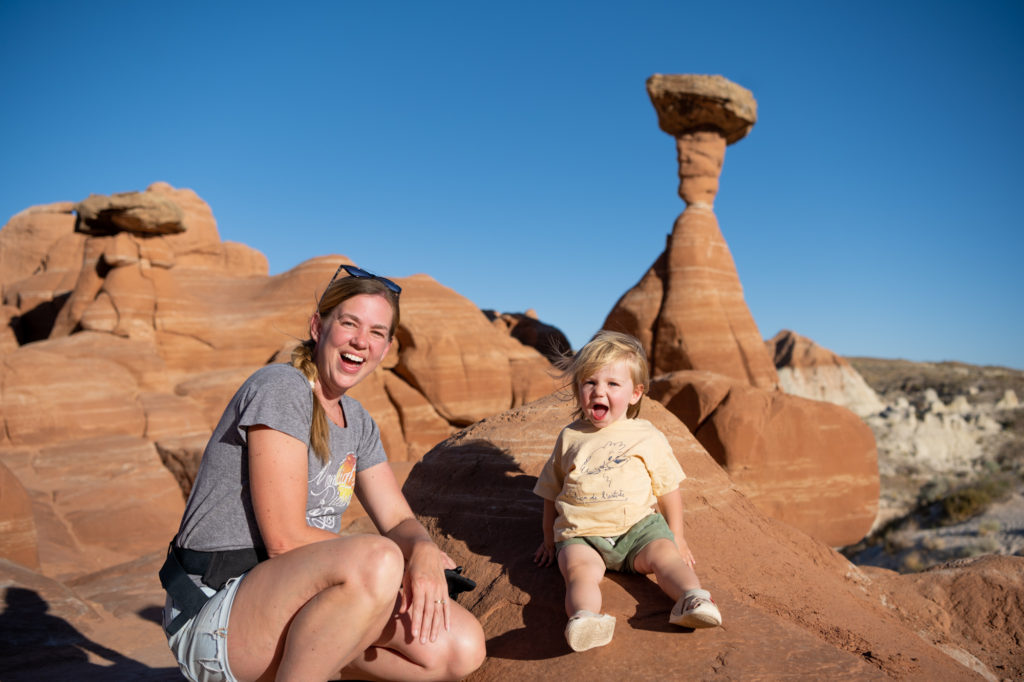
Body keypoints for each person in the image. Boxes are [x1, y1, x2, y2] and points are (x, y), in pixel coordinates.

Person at [159, 264, 486, 682]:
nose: (360, 342)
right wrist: (400, 567)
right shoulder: (281, 387)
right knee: (380, 559)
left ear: (386, 349)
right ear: (318, 327)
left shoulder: (358, 421)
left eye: (376, 332)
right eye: (349, 323)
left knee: (461, 648)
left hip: (294, 605)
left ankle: (315, 661)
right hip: (215, 611)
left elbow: (399, 519)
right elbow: (285, 540)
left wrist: (421, 550)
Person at [532, 330, 721, 652]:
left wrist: (678, 536)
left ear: (636, 393)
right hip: (583, 534)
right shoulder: (570, 437)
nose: (598, 392)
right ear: (579, 388)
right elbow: (552, 489)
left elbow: (668, 489)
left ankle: (693, 599)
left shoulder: (646, 435)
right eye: (589, 382)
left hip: (638, 529)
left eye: (612, 385)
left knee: (667, 559)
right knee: (578, 572)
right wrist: (549, 539)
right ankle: (585, 618)